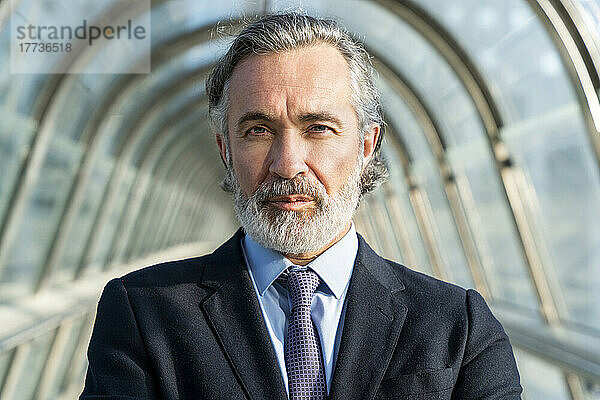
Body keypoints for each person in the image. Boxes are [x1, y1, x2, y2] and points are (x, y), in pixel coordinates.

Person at [80, 12, 522, 400]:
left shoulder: (457, 328)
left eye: (319, 128)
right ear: (225, 150)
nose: (288, 164)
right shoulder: (143, 313)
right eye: (258, 130)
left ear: (367, 145)